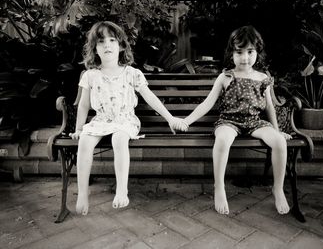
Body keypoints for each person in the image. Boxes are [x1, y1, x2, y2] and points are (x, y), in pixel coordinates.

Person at [70, 21, 188, 216]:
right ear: (94, 48)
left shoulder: (132, 73)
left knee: (119, 138)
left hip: (125, 120)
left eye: (112, 40)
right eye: (101, 42)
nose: (107, 45)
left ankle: (122, 189)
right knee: (84, 141)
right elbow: (83, 105)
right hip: (101, 120)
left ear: (121, 45)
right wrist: (79, 128)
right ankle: (82, 193)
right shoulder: (90, 75)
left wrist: (169, 117)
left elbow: (149, 97)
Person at [179, 25, 291, 215]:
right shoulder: (226, 76)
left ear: (258, 52)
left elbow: (270, 107)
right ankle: (219, 187)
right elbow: (207, 103)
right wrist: (187, 120)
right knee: (222, 139)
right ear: (231, 53)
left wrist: (277, 130)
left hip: (255, 122)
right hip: (229, 122)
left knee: (279, 141)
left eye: (250, 52)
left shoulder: (263, 78)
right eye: (239, 52)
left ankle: (278, 189)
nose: (245, 58)